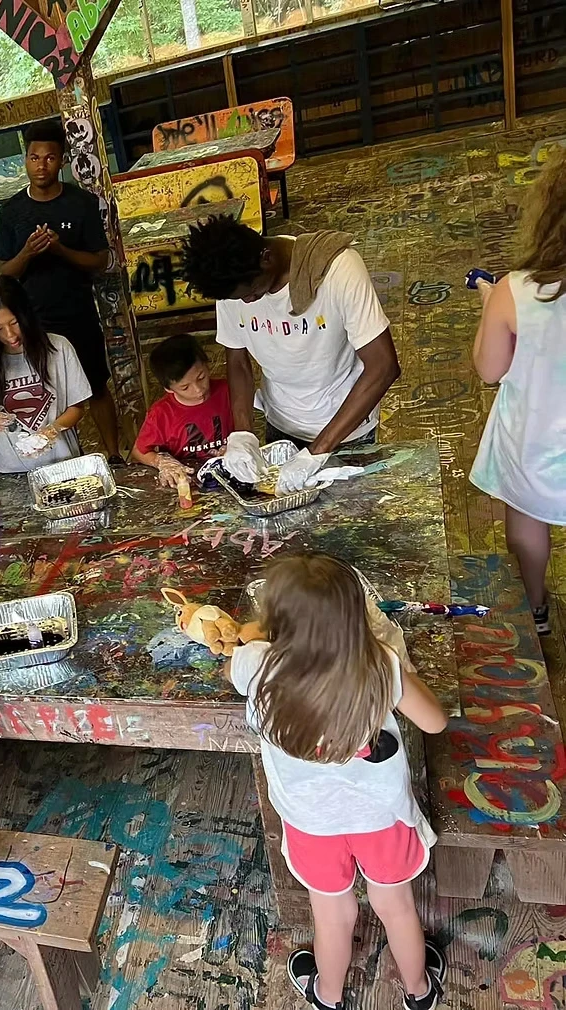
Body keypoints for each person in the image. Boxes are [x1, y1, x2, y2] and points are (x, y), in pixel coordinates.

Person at [231, 554, 447, 1010]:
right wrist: (398, 672)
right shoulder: (379, 664)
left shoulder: (254, 666)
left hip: (311, 822)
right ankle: (418, 991)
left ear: (276, 619)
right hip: (381, 818)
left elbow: (246, 641)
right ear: (355, 618)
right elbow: (435, 723)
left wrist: (256, 631)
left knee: (332, 915)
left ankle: (327, 996)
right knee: (397, 908)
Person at [180, 216, 401, 493]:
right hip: (280, 425)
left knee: (350, 524)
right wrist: (243, 433)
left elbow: (384, 367)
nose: (247, 302)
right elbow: (237, 361)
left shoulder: (337, 270)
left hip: (346, 429)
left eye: (251, 293)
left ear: (266, 258)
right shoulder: (233, 285)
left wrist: (316, 452)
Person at [469, 151, 566, 636]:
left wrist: (491, 304)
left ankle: (536, 608)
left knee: (527, 525)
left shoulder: (515, 289)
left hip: (534, 443)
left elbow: (489, 370)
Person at [0, 120, 119, 461]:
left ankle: (114, 455)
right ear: (25, 159)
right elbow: (5, 272)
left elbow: (99, 259)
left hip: (77, 311)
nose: (41, 165)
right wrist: (29, 252)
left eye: (49, 158)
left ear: (62, 160)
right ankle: (63, 458)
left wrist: (61, 250)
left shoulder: (80, 203)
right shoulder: (12, 212)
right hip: (32, 317)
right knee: (48, 392)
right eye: (34, 158)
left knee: (95, 386)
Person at [0, 276, 91, 473]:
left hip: (65, 463)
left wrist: (52, 430)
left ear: (26, 315)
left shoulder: (58, 348)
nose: (10, 335)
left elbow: (77, 408)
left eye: (14, 323)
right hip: (13, 472)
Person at [132, 334, 234, 486]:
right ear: (168, 388)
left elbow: (245, 424)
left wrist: (236, 444)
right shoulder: (161, 414)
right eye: (185, 387)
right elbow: (139, 450)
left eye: (201, 377)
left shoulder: (229, 391)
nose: (198, 390)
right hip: (187, 482)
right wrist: (161, 462)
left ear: (207, 365)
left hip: (231, 472)